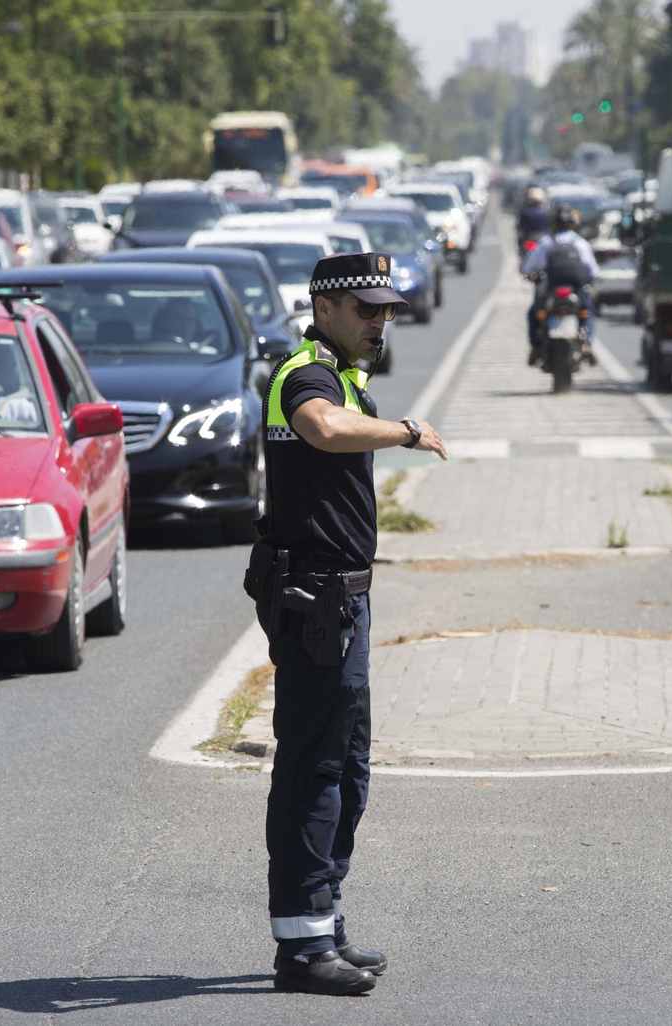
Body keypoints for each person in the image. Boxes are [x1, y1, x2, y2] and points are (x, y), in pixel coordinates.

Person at [244, 251, 446, 997]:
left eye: (386, 309)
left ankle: (322, 919)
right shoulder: (307, 376)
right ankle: (299, 947)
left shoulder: (345, 375)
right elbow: (324, 429)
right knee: (314, 769)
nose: (379, 321)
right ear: (323, 308)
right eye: (366, 308)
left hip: (343, 600)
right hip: (315, 600)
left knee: (348, 768)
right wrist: (406, 431)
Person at [521, 204, 600, 361]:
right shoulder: (581, 243)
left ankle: (535, 346)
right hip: (577, 290)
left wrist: (530, 275)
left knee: (533, 313)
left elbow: (527, 267)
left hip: (549, 289)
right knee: (588, 312)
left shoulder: (546, 242)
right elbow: (594, 272)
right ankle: (586, 344)